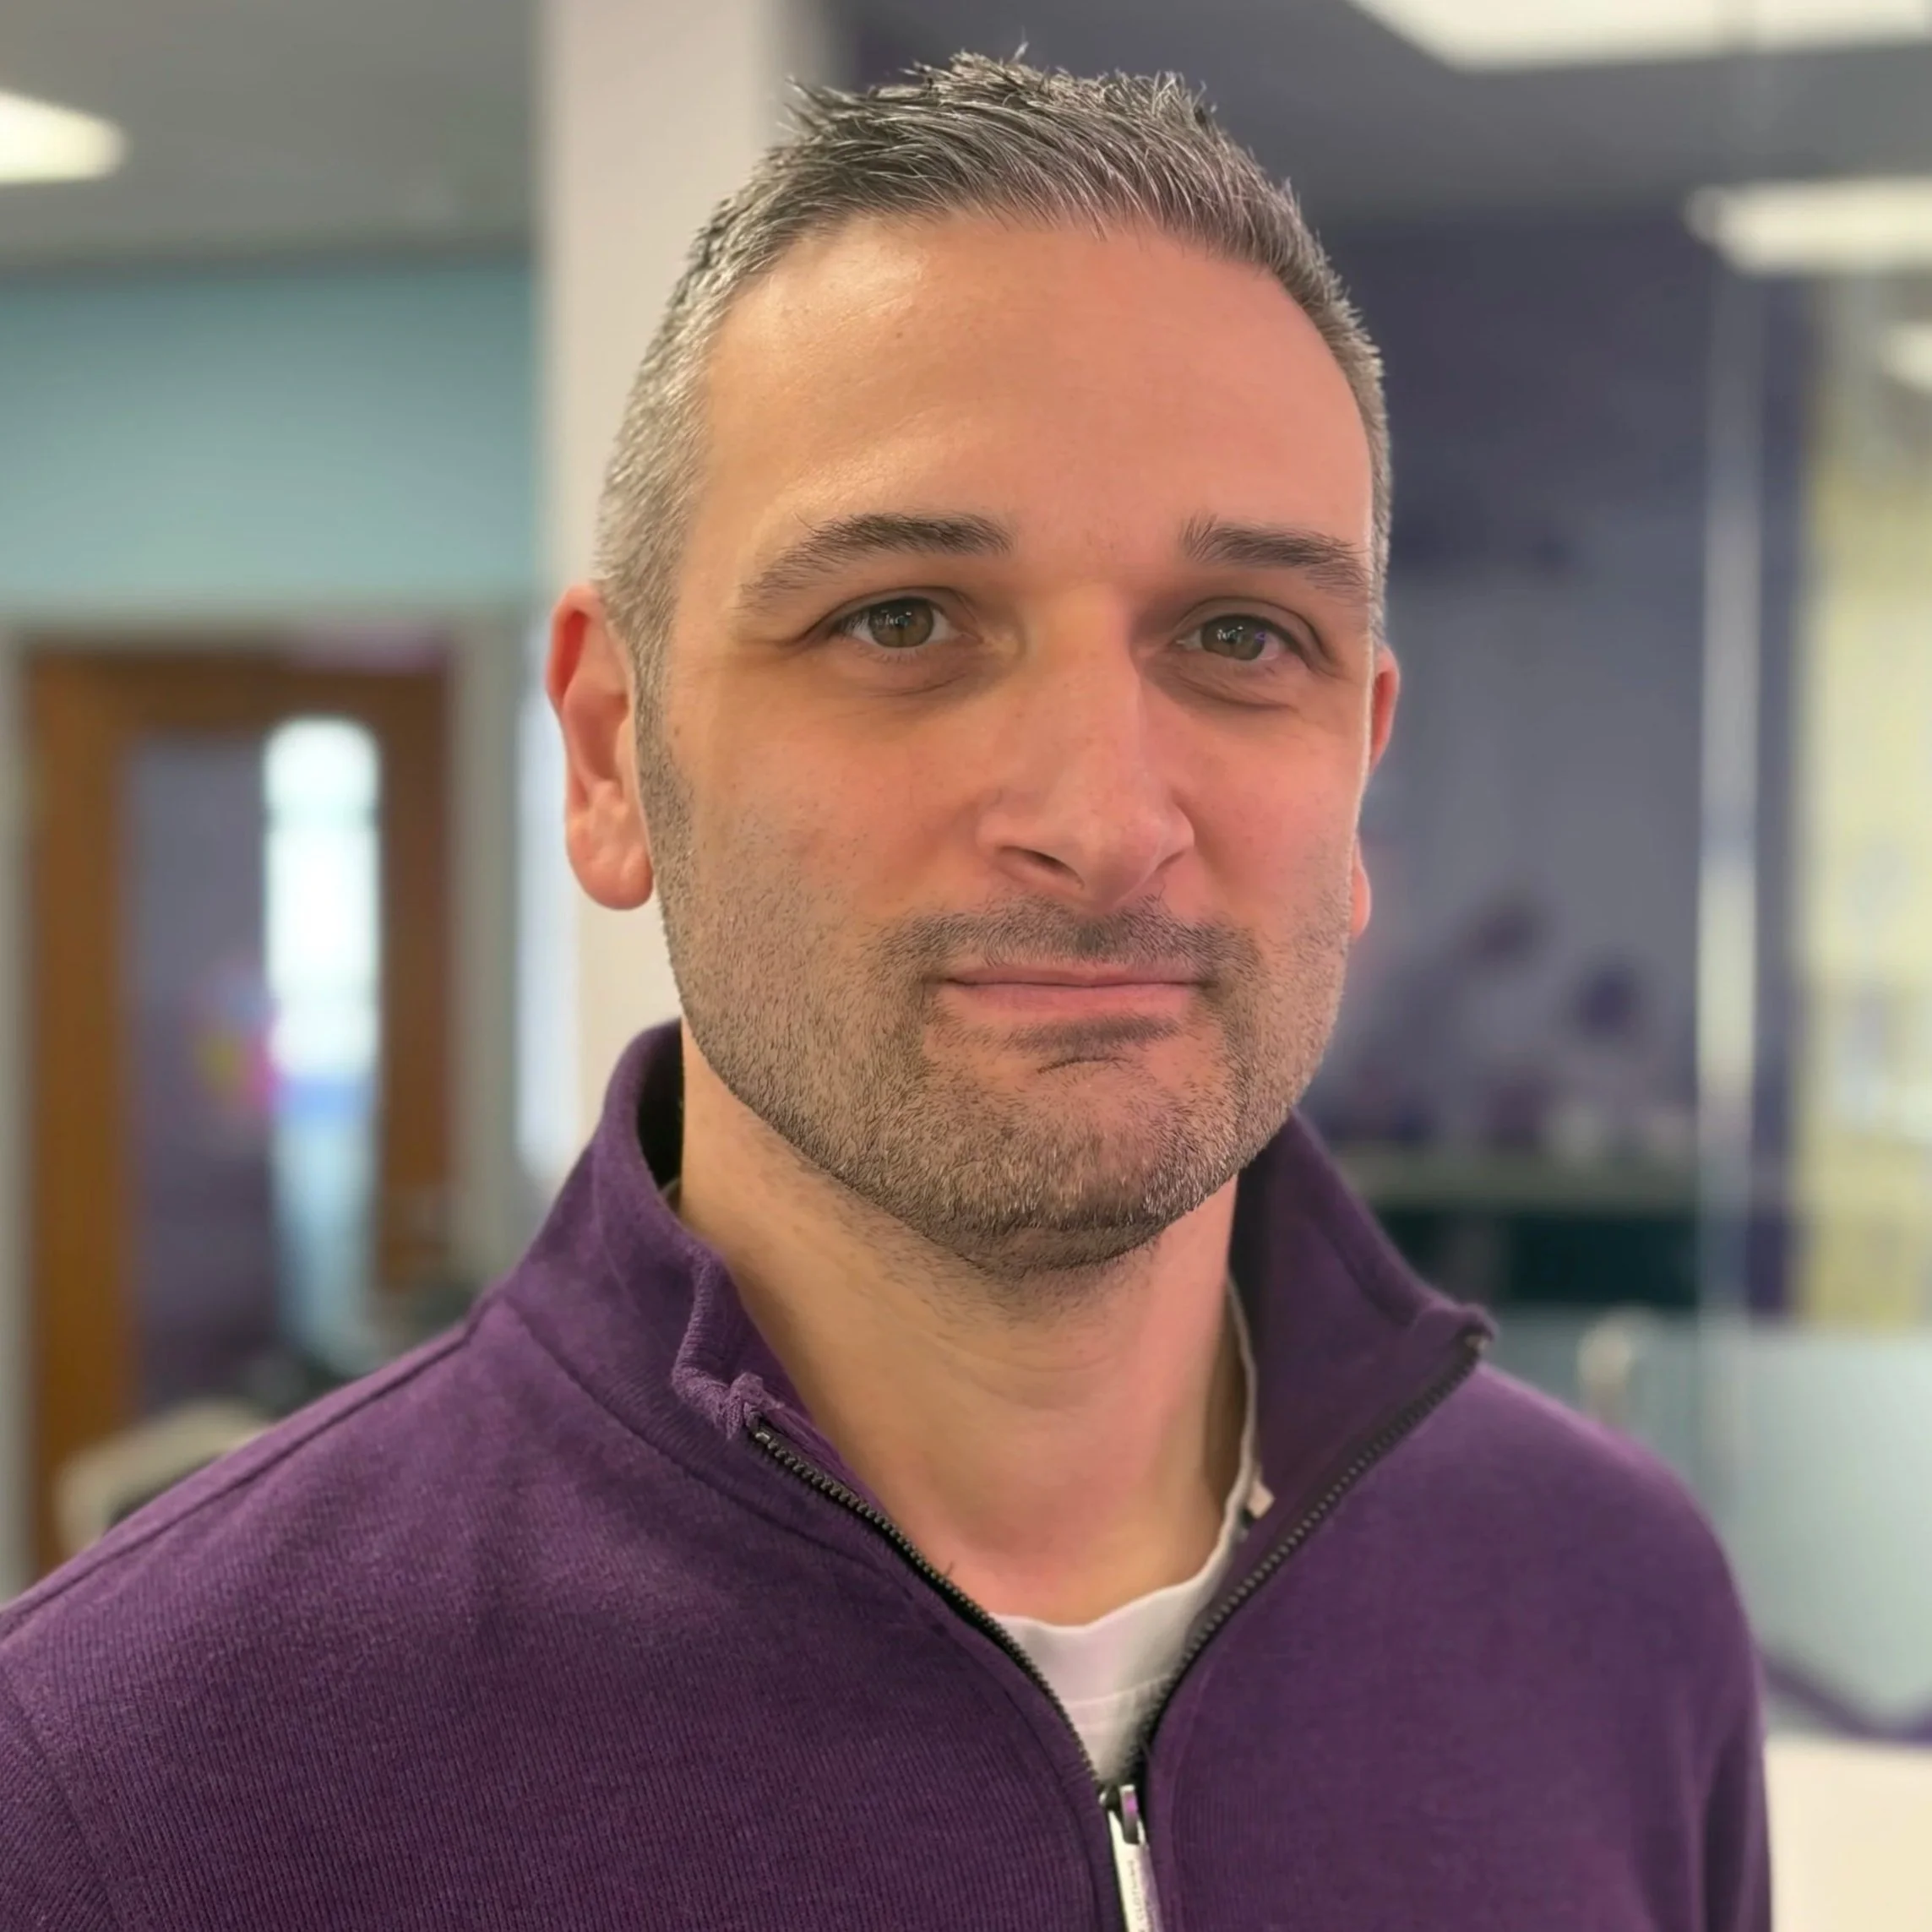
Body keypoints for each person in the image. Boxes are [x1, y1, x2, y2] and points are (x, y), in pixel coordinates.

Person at [0, 55, 1767, 1931]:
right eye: (901, 619)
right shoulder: (131, 1778)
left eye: (1244, 638)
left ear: (1357, 774)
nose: (1102, 821)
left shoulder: (1609, 1612)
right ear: (612, 754)